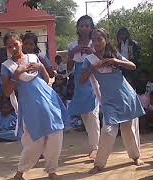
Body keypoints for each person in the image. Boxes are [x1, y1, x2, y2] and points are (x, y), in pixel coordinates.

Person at [1, 32, 68, 180]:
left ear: (21, 42)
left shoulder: (33, 58)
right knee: (34, 140)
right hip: (29, 104)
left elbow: (47, 79)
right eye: (9, 46)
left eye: (15, 44)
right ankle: (20, 173)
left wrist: (41, 67)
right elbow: (6, 92)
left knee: (55, 133)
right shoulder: (7, 66)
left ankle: (52, 171)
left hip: (47, 100)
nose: (13, 48)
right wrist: (16, 75)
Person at [79, 28, 145, 174]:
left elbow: (133, 66)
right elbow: (82, 81)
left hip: (126, 95)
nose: (96, 42)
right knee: (108, 131)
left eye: (99, 39)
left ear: (106, 40)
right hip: (109, 100)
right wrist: (94, 67)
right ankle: (99, 164)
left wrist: (116, 61)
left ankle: (135, 156)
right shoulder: (89, 60)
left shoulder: (114, 54)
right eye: (94, 39)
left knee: (130, 129)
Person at [67, 15, 100, 159]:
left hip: (93, 80)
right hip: (79, 82)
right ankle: (94, 144)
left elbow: (102, 62)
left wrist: (92, 53)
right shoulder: (72, 45)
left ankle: (96, 147)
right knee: (85, 115)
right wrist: (72, 53)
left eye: (87, 25)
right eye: (82, 25)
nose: (85, 28)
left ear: (91, 28)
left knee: (92, 114)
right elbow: (69, 68)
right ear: (78, 28)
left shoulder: (96, 43)